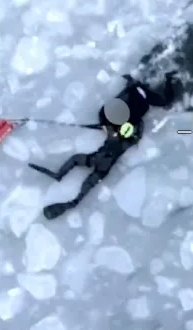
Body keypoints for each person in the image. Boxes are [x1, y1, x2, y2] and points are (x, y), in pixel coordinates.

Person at [30, 73, 179, 220]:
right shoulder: (134, 108)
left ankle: (64, 185)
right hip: (104, 161)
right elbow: (132, 124)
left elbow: (117, 113)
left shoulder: (132, 96)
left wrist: (110, 127)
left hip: (102, 157)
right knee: (83, 172)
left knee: (80, 165)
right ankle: (67, 191)